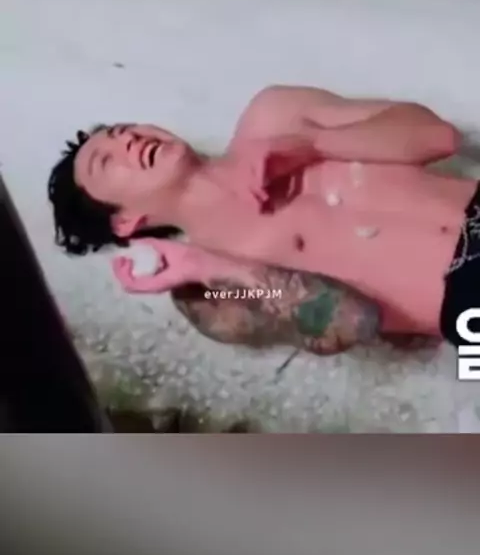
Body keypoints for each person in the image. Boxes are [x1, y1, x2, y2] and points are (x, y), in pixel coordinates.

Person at [48, 84, 476, 355]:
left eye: (121, 130)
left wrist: (313, 144)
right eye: (106, 161)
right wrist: (209, 264)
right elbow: (353, 321)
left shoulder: (273, 116)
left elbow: (438, 136)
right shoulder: (208, 288)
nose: (127, 140)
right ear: (125, 222)